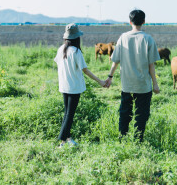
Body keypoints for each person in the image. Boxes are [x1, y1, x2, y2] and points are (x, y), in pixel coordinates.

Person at [104, 9, 160, 142]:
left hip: (127, 84)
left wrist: (109, 77)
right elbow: (151, 65)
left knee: (124, 112)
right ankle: (138, 139)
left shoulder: (123, 37)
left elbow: (115, 61)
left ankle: (122, 137)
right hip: (143, 85)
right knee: (142, 114)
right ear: (144, 22)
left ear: (130, 21)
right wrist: (155, 84)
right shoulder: (148, 39)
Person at [54, 23, 105, 147]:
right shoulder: (76, 52)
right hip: (74, 87)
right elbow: (85, 70)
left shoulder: (61, 49)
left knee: (67, 112)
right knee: (70, 114)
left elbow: (58, 65)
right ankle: (62, 140)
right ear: (77, 38)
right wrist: (101, 82)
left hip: (64, 85)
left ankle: (68, 138)